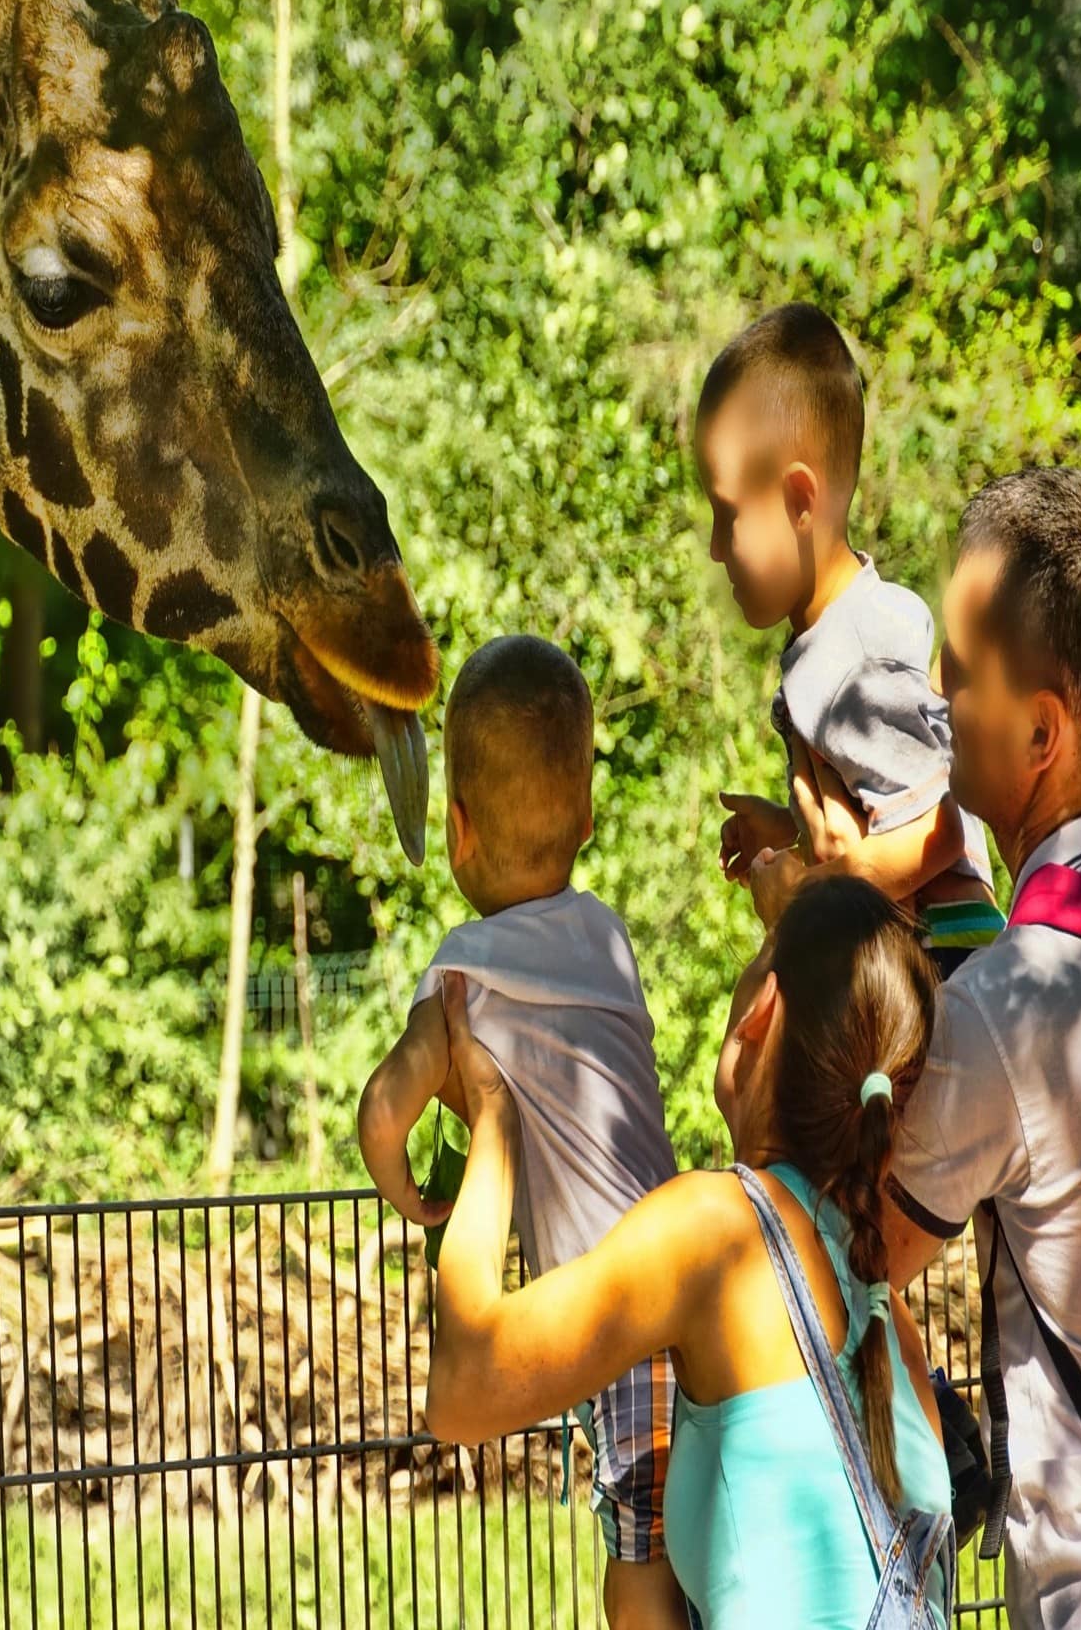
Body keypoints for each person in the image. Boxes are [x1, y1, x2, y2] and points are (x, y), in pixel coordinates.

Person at [845, 467, 1081, 1630]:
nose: (936, 701)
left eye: (956, 670)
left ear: (1041, 729)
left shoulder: (1008, 1006)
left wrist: (820, 937)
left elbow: (866, 1251)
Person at [425, 874, 954, 1630]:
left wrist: (495, 1127)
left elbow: (461, 1390)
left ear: (760, 1012)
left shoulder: (719, 1230)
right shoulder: (883, 1311)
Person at [357, 635, 684, 1627]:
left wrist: (403, 1183)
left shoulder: (465, 969)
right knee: (679, 1532)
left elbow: (388, 1102)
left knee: (640, 1540)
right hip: (677, 1282)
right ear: (586, 815)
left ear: (456, 828)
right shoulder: (609, 939)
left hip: (607, 1313)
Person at [694, 302, 1001, 969]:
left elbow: (941, 827)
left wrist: (816, 890)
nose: (716, 549)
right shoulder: (836, 635)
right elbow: (879, 814)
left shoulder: (859, 655)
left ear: (800, 503)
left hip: (948, 969)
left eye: (728, 516)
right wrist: (793, 834)